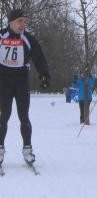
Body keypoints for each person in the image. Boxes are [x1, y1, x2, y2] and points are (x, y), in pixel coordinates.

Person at [0, 9, 50, 166]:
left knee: (24, 115)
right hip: (3, 81)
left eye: (24, 21)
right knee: (4, 115)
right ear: (11, 22)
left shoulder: (27, 38)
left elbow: (38, 57)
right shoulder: (1, 36)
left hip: (22, 81)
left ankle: (27, 150)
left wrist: (44, 75)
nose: (23, 24)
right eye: (20, 21)